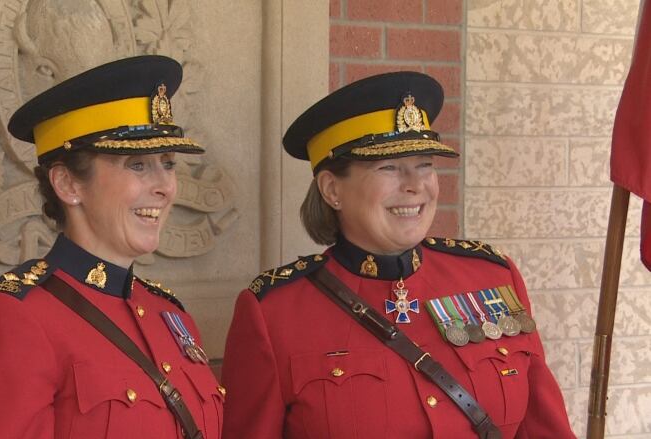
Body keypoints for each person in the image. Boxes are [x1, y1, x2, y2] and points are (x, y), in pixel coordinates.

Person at [220, 72, 575, 438]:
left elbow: (545, 429)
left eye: (425, 165)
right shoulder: (274, 314)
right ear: (331, 189)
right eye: (389, 167)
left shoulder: (493, 278)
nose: (414, 185)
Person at [0, 56, 224, 439]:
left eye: (168, 164)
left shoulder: (171, 316)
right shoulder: (9, 320)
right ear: (68, 184)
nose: (165, 186)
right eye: (137, 165)